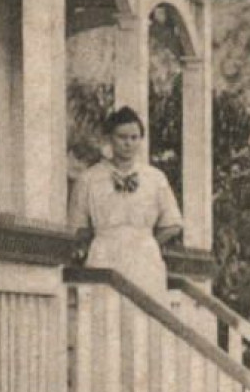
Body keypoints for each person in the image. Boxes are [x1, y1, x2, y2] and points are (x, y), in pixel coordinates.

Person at [68, 106, 184, 299]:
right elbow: (77, 227)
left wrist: (145, 242)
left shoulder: (155, 178)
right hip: (104, 255)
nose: (128, 144)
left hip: (144, 259)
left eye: (134, 138)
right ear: (109, 139)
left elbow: (172, 223)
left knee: (146, 314)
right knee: (106, 312)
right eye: (122, 137)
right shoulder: (89, 178)